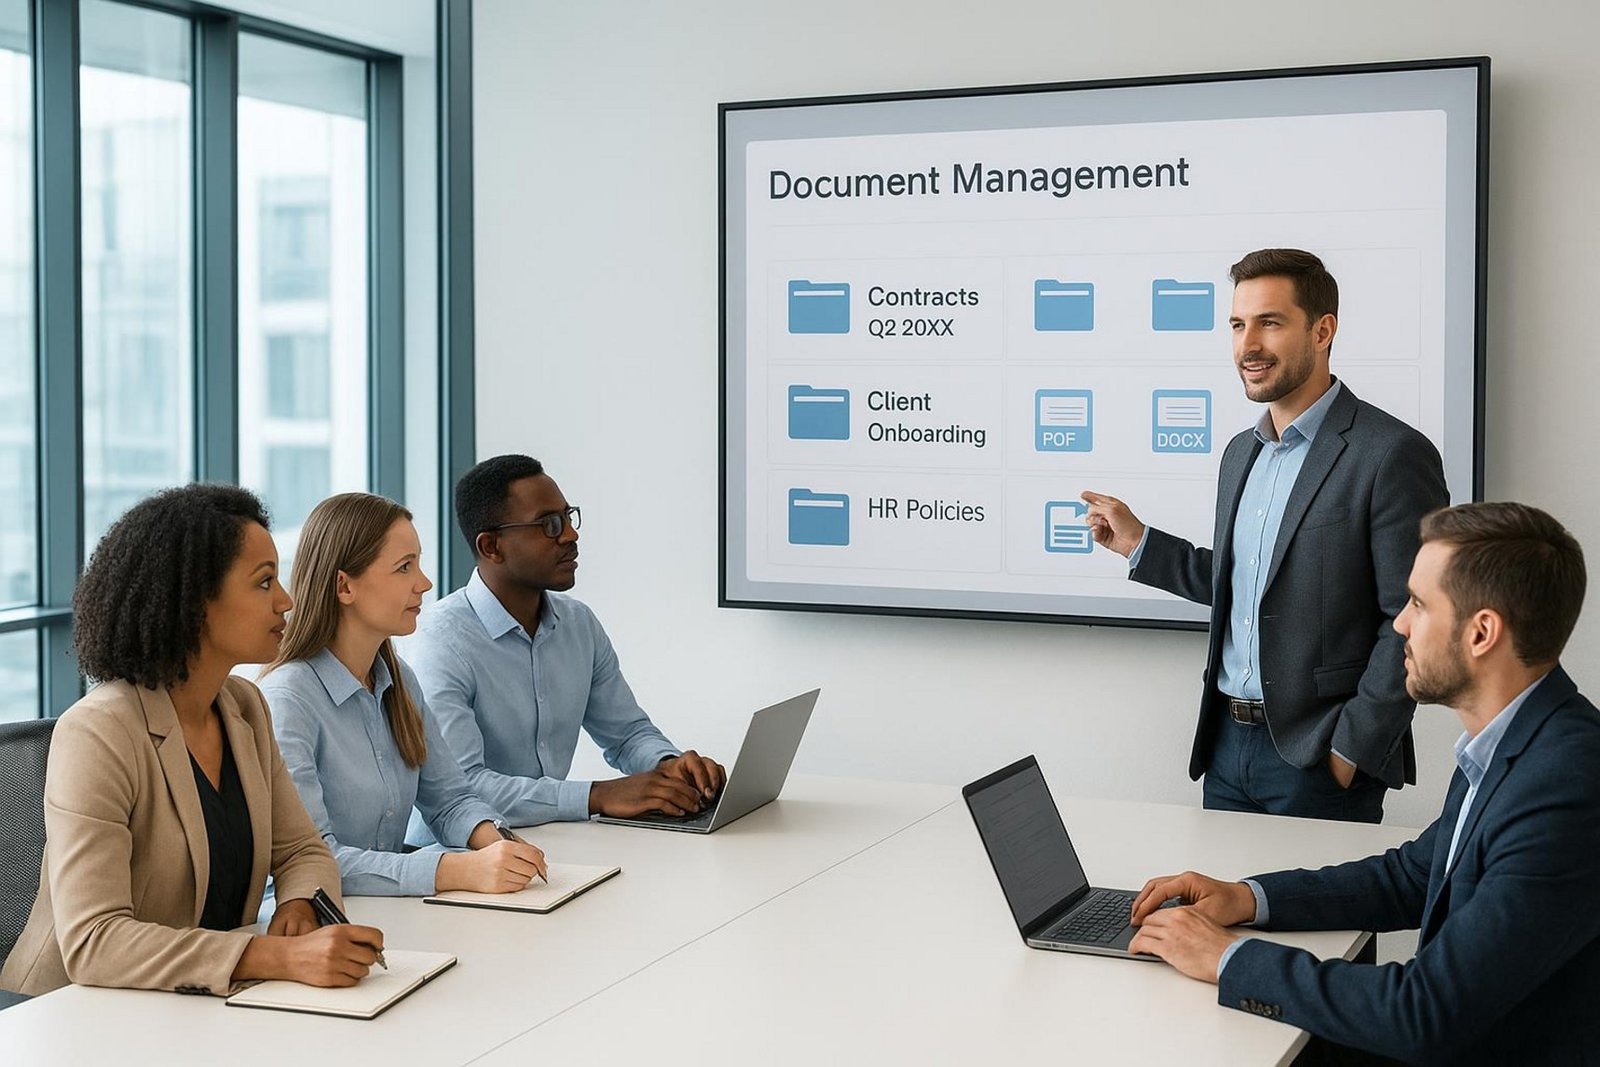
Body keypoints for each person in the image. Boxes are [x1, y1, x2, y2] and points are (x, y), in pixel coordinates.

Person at [1127, 502, 1600, 1064]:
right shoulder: (1520, 741)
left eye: (1420, 605)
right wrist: (1247, 898)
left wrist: (1229, 957)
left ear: (1481, 633)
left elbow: (1424, 1012)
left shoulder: (1565, 785)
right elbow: (1412, 876)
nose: (1399, 623)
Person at [1083, 248, 1448, 822]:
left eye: (1269, 323)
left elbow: (1412, 615)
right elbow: (1252, 585)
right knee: (1212, 914)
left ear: (1322, 330)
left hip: (1318, 760)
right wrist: (1140, 544)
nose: (1247, 345)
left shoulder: (1390, 455)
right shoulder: (1239, 454)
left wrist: (1350, 749)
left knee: (1308, 915)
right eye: (1237, 324)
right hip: (1225, 749)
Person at [0, 485, 383, 997]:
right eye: (264, 582)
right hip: (75, 1011)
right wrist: (275, 956)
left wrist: (297, 907)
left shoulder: (244, 707)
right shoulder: (98, 732)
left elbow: (302, 850)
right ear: (195, 601)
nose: (286, 600)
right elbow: (94, 940)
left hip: (202, 1004)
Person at [407, 454, 724, 830]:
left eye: (568, 517)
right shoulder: (442, 642)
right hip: (458, 858)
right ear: (492, 546)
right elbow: (463, 788)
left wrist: (668, 767)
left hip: (553, 843)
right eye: (549, 525)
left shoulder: (578, 625)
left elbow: (626, 734)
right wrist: (597, 795)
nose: (570, 535)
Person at [260, 493, 549, 896]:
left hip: (394, 914)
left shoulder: (400, 681)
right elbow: (313, 860)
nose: (424, 583)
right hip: (316, 927)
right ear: (345, 586)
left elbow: (450, 800)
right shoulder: (287, 699)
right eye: (404, 568)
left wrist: (501, 844)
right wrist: (457, 871)